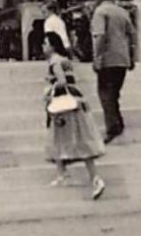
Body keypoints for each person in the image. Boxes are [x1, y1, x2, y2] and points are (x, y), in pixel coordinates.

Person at [43, 31, 106, 199]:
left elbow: (61, 81)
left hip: (64, 105)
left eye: (46, 43)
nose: (43, 46)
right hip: (75, 100)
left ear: (52, 46)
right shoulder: (65, 60)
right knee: (76, 137)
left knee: (61, 136)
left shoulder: (54, 61)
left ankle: (67, 175)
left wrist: (50, 91)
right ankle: (70, 174)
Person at [90, 0, 136, 144]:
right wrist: (132, 55)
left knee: (105, 92)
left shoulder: (100, 12)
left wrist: (97, 56)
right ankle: (118, 123)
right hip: (122, 57)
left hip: (108, 57)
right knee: (114, 92)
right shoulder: (122, 12)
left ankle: (113, 127)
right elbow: (132, 35)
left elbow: (100, 36)